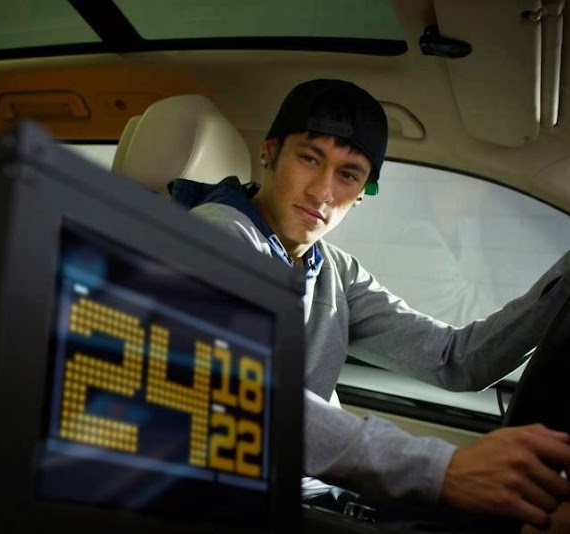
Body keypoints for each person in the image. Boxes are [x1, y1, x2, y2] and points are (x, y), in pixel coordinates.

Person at [168, 78, 570, 530]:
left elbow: (455, 360)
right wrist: (445, 468)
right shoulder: (214, 237)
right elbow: (247, 399)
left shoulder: (334, 270)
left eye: (348, 175)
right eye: (309, 158)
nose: (322, 192)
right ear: (270, 152)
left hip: (310, 491)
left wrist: (564, 284)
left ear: (363, 194)